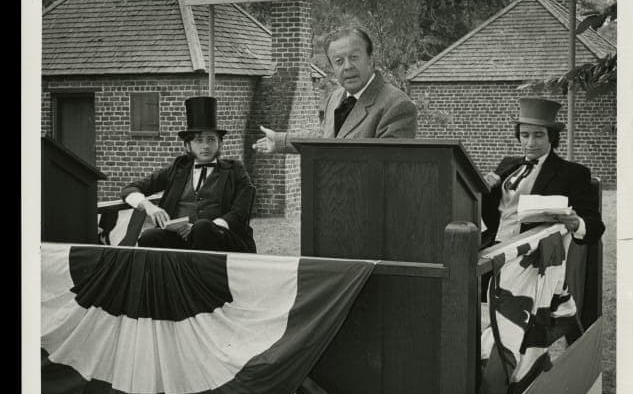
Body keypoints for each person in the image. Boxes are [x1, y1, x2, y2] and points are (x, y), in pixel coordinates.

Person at [121, 96, 256, 252]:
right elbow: (129, 189)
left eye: (211, 139)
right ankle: (168, 276)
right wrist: (149, 207)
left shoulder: (235, 170)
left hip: (221, 238)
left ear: (220, 143)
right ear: (187, 145)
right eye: (199, 140)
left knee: (202, 228)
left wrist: (203, 227)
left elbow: (240, 212)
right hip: (181, 237)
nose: (205, 146)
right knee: (149, 237)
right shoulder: (178, 168)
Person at [252, 26, 417, 153]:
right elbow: (326, 137)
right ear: (332, 67)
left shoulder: (397, 105)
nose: (347, 67)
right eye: (339, 61)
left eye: (354, 58)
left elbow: (389, 165)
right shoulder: (335, 97)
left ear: (371, 60)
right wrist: (280, 140)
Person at [481, 97, 605, 248]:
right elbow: (489, 208)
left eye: (538, 135)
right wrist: (484, 188)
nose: (530, 143)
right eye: (525, 135)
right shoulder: (508, 164)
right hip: (491, 245)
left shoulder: (573, 173)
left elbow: (596, 226)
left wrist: (577, 223)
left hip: (534, 255)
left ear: (551, 137)